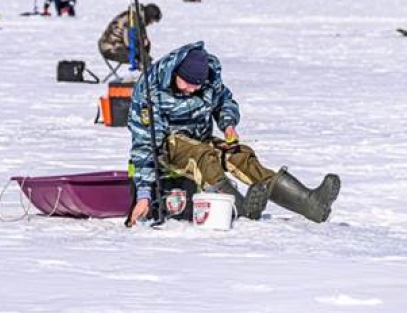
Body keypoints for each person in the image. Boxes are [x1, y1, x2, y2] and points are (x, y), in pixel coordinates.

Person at [127, 42, 341, 226]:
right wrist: (144, 194)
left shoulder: (210, 79)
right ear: (176, 73)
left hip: (199, 140)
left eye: (197, 85)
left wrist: (228, 124)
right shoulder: (150, 90)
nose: (192, 90)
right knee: (204, 155)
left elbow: (225, 102)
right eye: (187, 84)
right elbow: (144, 145)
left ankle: (309, 203)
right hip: (165, 149)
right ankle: (241, 207)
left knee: (239, 154)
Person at [98, 4, 162, 68]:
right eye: (151, 21)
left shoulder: (136, 17)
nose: (151, 24)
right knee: (140, 56)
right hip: (110, 48)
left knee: (143, 54)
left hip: (115, 45)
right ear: (148, 16)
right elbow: (129, 41)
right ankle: (146, 71)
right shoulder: (133, 19)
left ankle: (147, 68)